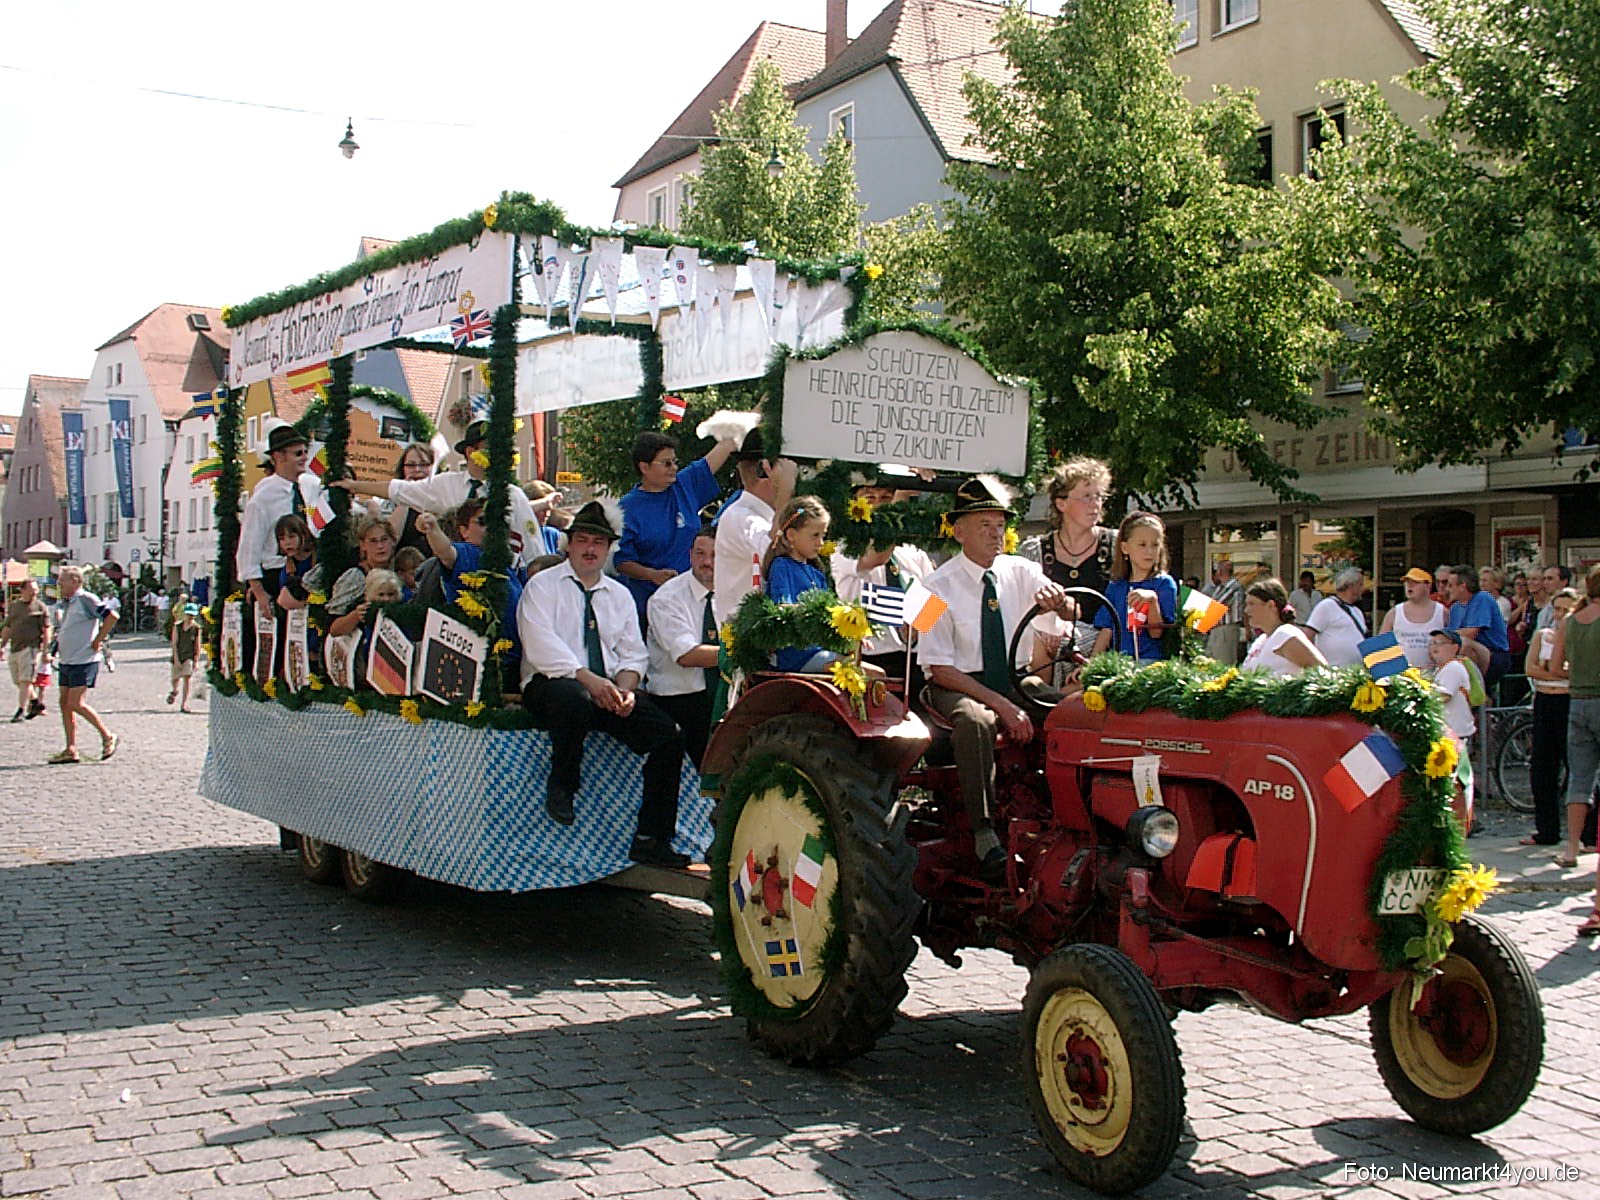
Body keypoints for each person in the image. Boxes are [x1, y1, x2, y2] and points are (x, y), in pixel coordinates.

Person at [517, 499, 688, 868]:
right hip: (552, 683)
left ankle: (652, 837)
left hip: (605, 687)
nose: (590, 549)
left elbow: (632, 654)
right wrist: (591, 681)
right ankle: (563, 784)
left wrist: (625, 689)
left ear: (609, 548)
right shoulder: (543, 587)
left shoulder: (619, 595)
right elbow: (542, 647)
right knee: (573, 697)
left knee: (669, 736)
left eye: (598, 543)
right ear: (569, 544)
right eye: (582, 540)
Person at [918, 476, 1070, 882]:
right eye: (984, 525)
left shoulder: (1021, 570)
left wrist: (1062, 603)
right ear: (959, 530)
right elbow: (937, 667)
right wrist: (1001, 704)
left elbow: (1068, 611)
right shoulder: (932, 588)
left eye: (1000, 525)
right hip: (956, 682)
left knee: (1067, 712)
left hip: (1015, 678)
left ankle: (1063, 812)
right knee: (976, 721)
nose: (995, 533)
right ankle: (983, 830)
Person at [334, 420, 547, 571]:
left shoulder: (512, 494)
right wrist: (354, 485)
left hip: (496, 576)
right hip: (453, 571)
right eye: (488, 448)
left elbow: (532, 545)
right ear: (470, 451)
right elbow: (399, 490)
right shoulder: (446, 484)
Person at [615, 429, 737, 622]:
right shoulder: (626, 509)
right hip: (648, 607)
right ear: (644, 467)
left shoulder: (684, 484)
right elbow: (620, 561)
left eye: (675, 462)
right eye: (666, 463)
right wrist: (651, 574)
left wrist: (762, 408)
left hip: (692, 600)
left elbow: (726, 445)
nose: (673, 468)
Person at [831, 475, 936, 692]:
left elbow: (933, 600)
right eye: (870, 498)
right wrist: (897, 509)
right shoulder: (844, 547)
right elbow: (877, 557)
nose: (878, 505)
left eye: (886, 498)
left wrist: (919, 625)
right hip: (872, 657)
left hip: (913, 659)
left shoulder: (912, 552)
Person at [1019, 456, 1116, 648]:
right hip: (1048, 647)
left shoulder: (1116, 544)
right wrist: (1047, 627)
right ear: (1061, 503)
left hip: (1106, 650)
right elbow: (1020, 607)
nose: (1095, 504)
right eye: (1086, 497)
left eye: (1098, 496)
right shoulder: (1035, 551)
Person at [417, 501, 523, 675]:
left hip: (511, 660)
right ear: (464, 530)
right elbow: (446, 552)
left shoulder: (506, 564)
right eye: (482, 521)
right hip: (479, 665)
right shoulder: (468, 553)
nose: (491, 527)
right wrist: (432, 529)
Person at [645, 529, 719, 770]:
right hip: (678, 698)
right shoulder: (667, 598)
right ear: (690, 555)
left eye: (715, 555)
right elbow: (686, 655)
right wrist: (737, 655)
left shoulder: (733, 593)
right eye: (700, 553)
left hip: (720, 692)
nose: (707, 562)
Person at [712, 429, 797, 625]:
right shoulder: (738, 516)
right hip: (743, 646)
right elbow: (774, 549)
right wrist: (785, 489)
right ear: (765, 470)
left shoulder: (762, 516)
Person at [236, 421, 316, 617]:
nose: (304, 457)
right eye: (298, 453)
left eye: (305, 451)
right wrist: (259, 593)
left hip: (309, 571)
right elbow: (249, 548)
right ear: (279, 457)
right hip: (275, 576)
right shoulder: (264, 497)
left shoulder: (311, 487)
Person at [763, 496, 849, 673]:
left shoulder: (817, 574)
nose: (821, 543)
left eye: (823, 536)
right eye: (815, 536)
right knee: (864, 671)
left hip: (820, 650)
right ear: (792, 535)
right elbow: (783, 608)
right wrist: (816, 613)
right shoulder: (781, 566)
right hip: (797, 655)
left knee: (865, 665)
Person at [1550, 566, 1600, 871]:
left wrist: (1579, 675)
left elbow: (1555, 667)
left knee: (1579, 778)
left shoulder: (1571, 621)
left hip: (1578, 702)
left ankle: (1571, 848)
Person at [1522, 586, 1579, 848]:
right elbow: (1531, 668)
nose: (1560, 615)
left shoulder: (1578, 637)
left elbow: (1578, 673)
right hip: (1545, 700)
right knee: (1542, 768)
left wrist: (1553, 672)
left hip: (1569, 702)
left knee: (1577, 766)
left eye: (1567, 610)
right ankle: (1547, 829)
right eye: (1557, 609)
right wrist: (1558, 673)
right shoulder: (1543, 635)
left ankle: (1586, 834)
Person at [48, 565, 119, 765]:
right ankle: (71, 748)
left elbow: (112, 616)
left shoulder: (86, 599)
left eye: (63, 580)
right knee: (64, 703)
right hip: (67, 660)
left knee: (75, 703)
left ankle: (107, 736)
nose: (59, 584)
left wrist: (98, 640)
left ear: (75, 581)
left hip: (84, 660)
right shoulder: (67, 603)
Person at [1090, 512, 1177, 663]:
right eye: (1142, 545)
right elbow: (1106, 630)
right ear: (1125, 548)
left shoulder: (1164, 583)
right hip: (1119, 660)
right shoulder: (1116, 587)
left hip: (1152, 662)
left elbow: (1157, 633)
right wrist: (1091, 664)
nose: (1149, 551)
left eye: (1155, 545)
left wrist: (1152, 601)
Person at [313, 515, 399, 639]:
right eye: (373, 541)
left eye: (384, 539)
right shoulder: (354, 576)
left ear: (393, 541)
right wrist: (355, 616)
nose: (380, 546)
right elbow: (333, 628)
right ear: (363, 545)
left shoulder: (399, 570)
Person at [1428, 628, 1479, 833]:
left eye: (1440, 643)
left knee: (1459, 779)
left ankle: (1464, 820)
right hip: (1450, 732)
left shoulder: (1453, 668)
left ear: (1454, 647)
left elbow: (1443, 696)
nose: (1434, 648)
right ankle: (1467, 818)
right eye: (1432, 643)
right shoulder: (1439, 670)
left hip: (1457, 732)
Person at [1241, 578, 1328, 677]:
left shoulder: (1285, 635)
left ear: (1271, 605)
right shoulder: (1261, 640)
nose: (1246, 610)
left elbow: (1321, 671)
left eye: (1251, 604)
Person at [1444, 563, 1512, 689]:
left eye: (1450, 585)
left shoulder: (1482, 598)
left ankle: (1475, 689)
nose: (1447, 589)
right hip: (1473, 654)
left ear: (1462, 586)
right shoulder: (1455, 608)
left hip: (1495, 655)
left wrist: (1444, 637)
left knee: (1464, 643)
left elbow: (1471, 633)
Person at [1379, 567, 1449, 669]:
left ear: (1428, 585)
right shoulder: (1394, 613)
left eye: (1415, 582)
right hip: (1402, 676)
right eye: (1407, 582)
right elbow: (1381, 646)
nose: (1409, 586)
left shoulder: (1442, 612)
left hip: (1433, 674)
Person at [1, 578, 51, 721]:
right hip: (15, 647)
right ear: (22, 590)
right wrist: (2, 645)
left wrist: (46, 650)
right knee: (18, 680)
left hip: (31, 648)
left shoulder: (40, 607)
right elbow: (8, 627)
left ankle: (21, 710)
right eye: (31, 589)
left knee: (26, 681)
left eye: (36, 589)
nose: (34, 592)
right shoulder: (15, 606)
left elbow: (46, 629)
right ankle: (36, 702)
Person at [380, 442, 437, 556]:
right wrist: (406, 496)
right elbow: (391, 539)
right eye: (411, 465)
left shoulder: (443, 498)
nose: (417, 469)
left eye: (424, 464)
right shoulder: (390, 501)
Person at [1305, 567, 1369, 667]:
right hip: (1332, 671)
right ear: (1349, 585)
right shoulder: (1326, 606)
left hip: (1355, 673)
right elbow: (1307, 636)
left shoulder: (1357, 612)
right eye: (1360, 585)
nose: (1362, 589)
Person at [1203, 560, 1245, 665]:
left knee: (1224, 661)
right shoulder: (1220, 587)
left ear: (1220, 572)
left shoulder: (1232, 586)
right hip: (1216, 628)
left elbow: (1216, 604)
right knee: (1210, 659)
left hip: (1227, 628)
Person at [168, 603, 201, 713]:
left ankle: (184, 704)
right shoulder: (177, 626)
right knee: (175, 679)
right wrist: (176, 660)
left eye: (192, 615)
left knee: (187, 678)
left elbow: (197, 645)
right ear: (185, 614)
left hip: (189, 656)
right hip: (178, 654)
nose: (190, 617)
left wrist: (196, 660)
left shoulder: (196, 628)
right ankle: (174, 691)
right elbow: (174, 643)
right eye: (188, 615)